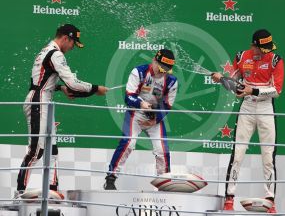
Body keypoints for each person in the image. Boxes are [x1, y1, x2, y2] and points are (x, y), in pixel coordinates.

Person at [16, 24, 108, 197]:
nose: (73, 47)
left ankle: (52, 191)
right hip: (39, 102)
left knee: (52, 149)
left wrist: (60, 88)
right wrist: (96, 89)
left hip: (42, 98)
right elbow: (73, 83)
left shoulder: (46, 50)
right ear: (66, 38)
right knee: (36, 151)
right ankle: (19, 193)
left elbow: (41, 80)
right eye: (73, 43)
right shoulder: (56, 54)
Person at [212, 29, 284, 213]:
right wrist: (221, 79)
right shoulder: (242, 56)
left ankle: (270, 201)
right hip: (247, 107)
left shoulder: (276, 60)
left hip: (266, 107)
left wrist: (253, 90)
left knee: (268, 156)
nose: (267, 52)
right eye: (263, 48)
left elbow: (276, 90)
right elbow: (233, 84)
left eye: (269, 48)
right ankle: (229, 198)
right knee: (238, 153)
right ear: (254, 45)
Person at [103, 49, 178, 190]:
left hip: (154, 118)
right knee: (129, 144)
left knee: (162, 150)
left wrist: (154, 120)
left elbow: (167, 105)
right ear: (154, 61)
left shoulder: (172, 81)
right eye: (161, 69)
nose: (162, 73)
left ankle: (165, 184)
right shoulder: (139, 72)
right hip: (135, 113)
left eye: (166, 71)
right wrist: (141, 104)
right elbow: (128, 96)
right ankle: (110, 178)